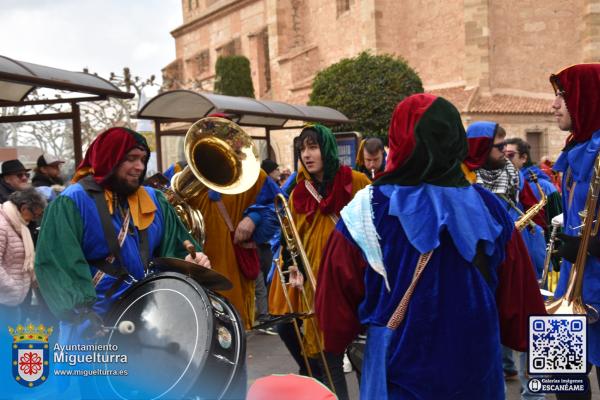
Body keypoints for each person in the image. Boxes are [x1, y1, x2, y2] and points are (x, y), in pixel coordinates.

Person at [315, 93, 546, 399]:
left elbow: (333, 312)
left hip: (398, 374)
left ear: (397, 140)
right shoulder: (489, 208)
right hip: (474, 372)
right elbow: (522, 307)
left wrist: (336, 341)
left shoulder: (366, 209)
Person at [269, 124, 371, 399]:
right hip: (317, 286)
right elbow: (291, 237)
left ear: (326, 148)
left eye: (313, 147)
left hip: (355, 281)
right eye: (302, 149)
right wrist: (294, 267)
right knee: (329, 357)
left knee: (363, 353)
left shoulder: (357, 181)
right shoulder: (298, 193)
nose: (307, 155)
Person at [549, 63, 600, 399]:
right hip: (569, 286)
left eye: (560, 97)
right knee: (557, 379)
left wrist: (590, 245)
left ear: (586, 99)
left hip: (595, 287)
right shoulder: (576, 148)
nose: (553, 105)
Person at [0, 188, 46, 324]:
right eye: (35, 215)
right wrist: (13, 287)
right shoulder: (3, 225)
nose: (35, 219)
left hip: (13, 300)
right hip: (4, 299)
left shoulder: (19, 225)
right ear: (24, 208)